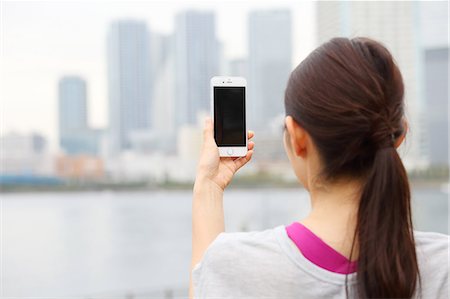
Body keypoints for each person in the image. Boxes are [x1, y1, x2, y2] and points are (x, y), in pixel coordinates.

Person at [189, 37, 449, 298]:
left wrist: (208, 186)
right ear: (399, 135)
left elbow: (206, 283)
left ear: (297, 138)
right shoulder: (443, 265)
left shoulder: (236, 265)